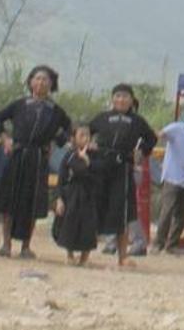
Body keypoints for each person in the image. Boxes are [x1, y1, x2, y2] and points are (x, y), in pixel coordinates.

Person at [0, 66, 71, 260]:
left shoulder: (55, 111)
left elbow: (68, 130)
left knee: (32, 202)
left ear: (51, 85)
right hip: (18, 155)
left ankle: (26, 246)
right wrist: (5, 138)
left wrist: (54, 141)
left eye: (45, 80)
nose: (41, 83)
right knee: (10, 200)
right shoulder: (19, 104)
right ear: (30, 82)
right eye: (37, 78)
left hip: (38, 159)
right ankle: (6, 244)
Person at [96, 87, 160, 267]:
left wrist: (141, 151)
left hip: (124, 167)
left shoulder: (137, 121)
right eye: (117, 96)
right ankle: (83, 251)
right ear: (112, 98)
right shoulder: (103, 117)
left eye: (125, 96)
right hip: (102, 166)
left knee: (122, 211)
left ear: (132, 100)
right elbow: (85, 131)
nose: (121, 100)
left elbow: (151, 139)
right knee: (95, 205)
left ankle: (122, 256)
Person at [53, 124, 100, 266]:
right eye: (81, 135)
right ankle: (70, 254)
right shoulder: (69, 155)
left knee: (88, 226)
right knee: (69, 223)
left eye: (88, 135)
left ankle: (85, 257)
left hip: (89, 193)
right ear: (74, 138)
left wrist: (87, 161)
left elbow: (99, 175)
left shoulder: (95, 155)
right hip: (72, 194)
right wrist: (60, 198)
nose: (85, 138)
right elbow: (62, 177)